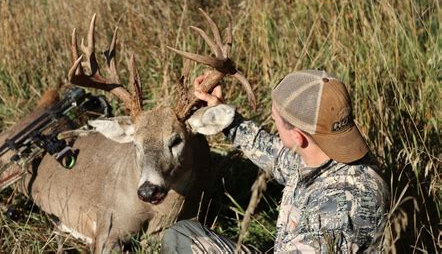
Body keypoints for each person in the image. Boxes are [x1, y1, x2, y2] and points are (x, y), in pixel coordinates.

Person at [162, 70, 389, 253]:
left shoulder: (335, 213)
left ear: (298, 137)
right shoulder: (326, 156)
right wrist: (225, 116)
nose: (272, 117)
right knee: (183, 235)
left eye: (276, 118)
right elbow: (274, 154)